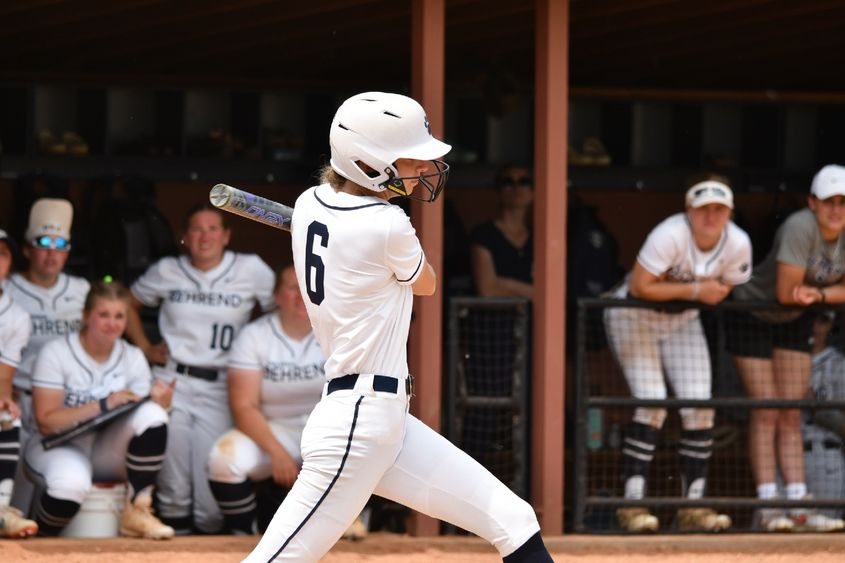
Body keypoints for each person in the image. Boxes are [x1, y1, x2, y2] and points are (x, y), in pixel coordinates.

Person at [243, 92, 552, 562]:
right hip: (356, 424)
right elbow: (426, 283)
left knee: (513, 519)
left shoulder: (309, 204)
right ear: (368, 163)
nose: (422, 170)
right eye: (409, 160)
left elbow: (335, 215)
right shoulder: (387, 223)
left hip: (386, 421)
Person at [604, 175, 752, 532]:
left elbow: (725, 289)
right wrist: (696, 289)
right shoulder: (669, 234)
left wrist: (691, 292)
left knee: (699, 405)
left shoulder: (738, 242)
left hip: (682, 319)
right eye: (703, 210)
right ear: (689, 211)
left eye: (719, 209)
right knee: (651, 402)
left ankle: (693, 506)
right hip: (633, 315)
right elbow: (641, 286)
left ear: (730, 213)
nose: (711, 217)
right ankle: (632, 505)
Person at [126, 202, 275, 534]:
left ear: (226, 236)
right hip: (173, 379)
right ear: (184, 237)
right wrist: (146, 348)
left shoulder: (250, 269)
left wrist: (260, 358)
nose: (204, 236)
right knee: (174, 485)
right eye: (196, 229)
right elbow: (127, 303)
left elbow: (278, 311)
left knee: (210, 501)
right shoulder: (168, 270)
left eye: (212, 229)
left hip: (222, 384)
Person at [207, 264, 368, 539]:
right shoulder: (255, 335)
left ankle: (346, 520)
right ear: (277, 296)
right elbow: (243, 406)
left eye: (306, 289)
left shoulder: (339, 333)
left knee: (367, 441)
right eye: (292, 288)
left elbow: (357, 397)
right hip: (274, 428)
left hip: (327, 428)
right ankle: (245, 537)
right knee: (223, 460)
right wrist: (278, 452)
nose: (299, 296)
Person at [729, 164, 845, 532]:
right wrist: (821, 296)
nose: (836, 210)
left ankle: (797, 504)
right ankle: (768, 505)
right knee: (767, 410)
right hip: (753, 313)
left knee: (791, 411)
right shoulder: (799, 226)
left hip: (796, 316)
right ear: (813, 202)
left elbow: (807, 295)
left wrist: (822, 294)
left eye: (844, 202)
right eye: (829, 202)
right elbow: (784, 292)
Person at [25, 280, 175, 538]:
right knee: (70, 487)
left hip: (106, 448)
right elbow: (46, 422)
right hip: (57, 445)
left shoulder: (132, 356)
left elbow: (143, 419)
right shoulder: (56, 352)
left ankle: (138, 508)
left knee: (155, 414)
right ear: (86, 316)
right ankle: (39, 545)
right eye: (103, 315)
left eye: (119, 316)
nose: (112, 323)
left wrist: (163, 402)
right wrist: (103, 404)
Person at [5, 199, 90, 516]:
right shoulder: (7, 288)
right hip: (15, 399)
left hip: (60, 406)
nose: (52, 252)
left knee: (52, 487)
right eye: (43, 243)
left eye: (60, 244)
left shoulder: (81, 291)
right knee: (9, 494)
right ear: (27, 250)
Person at [0, 228, 39, 537]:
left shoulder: (16, 316)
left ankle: (0, 508)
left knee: (6, 416)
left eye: (2, 254)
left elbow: (5, 375)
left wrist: (4, 399)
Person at [801, 312, 845, 522]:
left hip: (824, 457)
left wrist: (817, 407)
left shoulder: (838, 364)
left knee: (823, 531)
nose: (814, 327)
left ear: (831, 325)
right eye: (810, 319)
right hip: (783, 459)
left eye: (822, 320)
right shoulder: (779, 361)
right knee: (774, 532)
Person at [470, 164, 533, 299]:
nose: (516, 188)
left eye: (524, 182)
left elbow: (549, 293)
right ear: (498, 191)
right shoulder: (483, 235)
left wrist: (508, 284)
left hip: (536, 319)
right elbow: (487, 291)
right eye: (508, 182)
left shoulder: (540, 238)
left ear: (533, 192)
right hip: (495, 319)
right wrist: (530, 293)